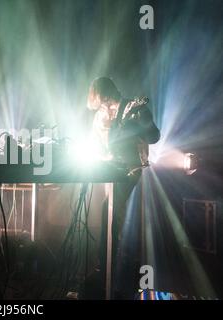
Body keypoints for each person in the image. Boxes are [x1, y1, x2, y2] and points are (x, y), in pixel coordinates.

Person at [87, 77, 160, 299]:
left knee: (112, 216)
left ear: (110, 94)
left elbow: (154, 136)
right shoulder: (100, 115)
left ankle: (114, 272)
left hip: (133, 171)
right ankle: (106, 268)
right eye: (101, 105)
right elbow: (96, 145)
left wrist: (139, 123)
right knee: (106, 214)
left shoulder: (133, 108)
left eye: (106, 102)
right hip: (111, 171)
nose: (104, 108)